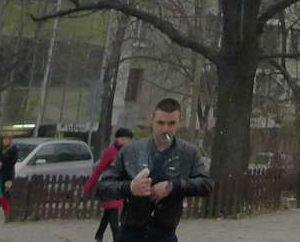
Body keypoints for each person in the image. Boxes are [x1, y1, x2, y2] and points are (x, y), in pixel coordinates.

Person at [95, 99, 210, 242]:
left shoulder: (188, 153)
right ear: (152, 119)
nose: (165, 129)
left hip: (165, 234)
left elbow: (206, 185)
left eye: (171, 123)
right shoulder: (131, 151)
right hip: (130, 232)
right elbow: (102, 187)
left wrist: (173, 186)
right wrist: (129, 187)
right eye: (160, 123)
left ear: (180, 121)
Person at [85, 128, 133, 241]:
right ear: (117, 139)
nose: (126, 142)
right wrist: (88, 187)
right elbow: (99, 169)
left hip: (119, 188)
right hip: (107, 187)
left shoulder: (128, 152)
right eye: (124, 139)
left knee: (110, 212)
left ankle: (99, 234)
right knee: (114, 220)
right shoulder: (110, 151)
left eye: (128, 140)